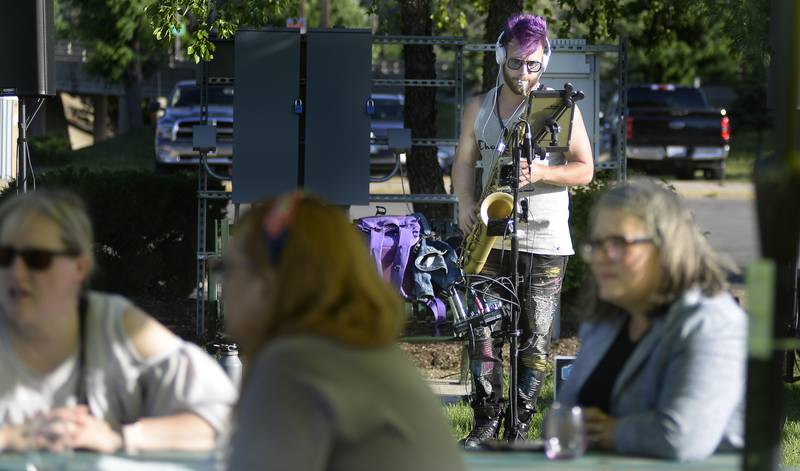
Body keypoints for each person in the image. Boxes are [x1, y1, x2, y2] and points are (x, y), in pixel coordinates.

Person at [223, 192, 465, 471]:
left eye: (227, 269)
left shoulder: (294, 362)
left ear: (268, 282)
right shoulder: (370, 355)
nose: (224, 286)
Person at [0, 190, 236, 454]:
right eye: (4, 257)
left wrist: (117, 437)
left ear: (79, 267)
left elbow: (222, 416)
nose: (16, 272)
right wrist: (12, 438)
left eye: (37, 259)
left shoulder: (114, 325)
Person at [450, 13, 593, 445]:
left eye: (532, 65)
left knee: (535, 339)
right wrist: (464, 203)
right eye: (515, 63)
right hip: (491, 236)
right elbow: (462, 160)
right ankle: (486, 423)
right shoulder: (479, 106)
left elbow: (585, 170)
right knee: (482, 331)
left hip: (546, 237)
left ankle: (519, 427)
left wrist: (540, 177)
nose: (523, 74)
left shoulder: (562, 108)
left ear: (544, 61)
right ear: (500, 55)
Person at [558, 180, 746, 460]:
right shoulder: (605, 320)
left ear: (666, 247)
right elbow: (566, 415)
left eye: (620, 242)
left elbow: (680, 438)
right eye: (597, 243)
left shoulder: (710, 323)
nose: (603, 256)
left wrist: (609, 431)